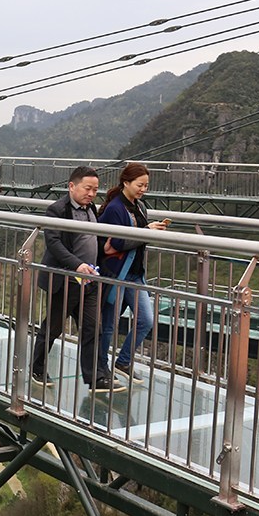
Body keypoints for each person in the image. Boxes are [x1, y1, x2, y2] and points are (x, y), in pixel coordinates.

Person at [30, 166, 124, 392]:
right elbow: (54, 243)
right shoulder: (57, 210)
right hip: (65, 279)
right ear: (72, 186)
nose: (92, 194)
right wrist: (77, 265)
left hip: (89, 281)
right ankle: (38, 368)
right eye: (87, 188)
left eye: (95, 190)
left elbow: (93, 239)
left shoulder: (91, 208)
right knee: (53, 328)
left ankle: (94, 379)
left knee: (93, 327)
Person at [97, 162, 168, 382]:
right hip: (116, 273)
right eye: (140, 185)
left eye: (146, 185)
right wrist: (146, 231)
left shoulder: (139, 206)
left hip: (135, 273)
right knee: (109, 324)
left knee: (146, 320)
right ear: (126, 182)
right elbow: (117, 242)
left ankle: (123, 361)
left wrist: (149, 230)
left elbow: (134, 237)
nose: (143, 189)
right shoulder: (116, 208)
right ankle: (100, 370)